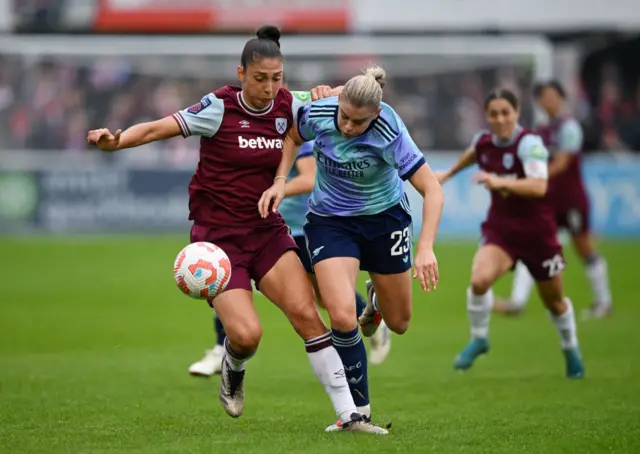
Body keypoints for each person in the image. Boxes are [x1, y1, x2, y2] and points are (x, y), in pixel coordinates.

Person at [87, 25, 388, 434]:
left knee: (307, 317)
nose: (269, 88)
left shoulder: (290, 105)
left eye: (276, 79)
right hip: (218, 241)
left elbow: (347, 96)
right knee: (247, 336)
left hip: (266, 233)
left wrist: (328, 91)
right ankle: (233, 366)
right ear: (242, 74)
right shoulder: (219, 107)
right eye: (260, 78)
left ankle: (349, 415)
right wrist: (116, 142)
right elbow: (160, 127)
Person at [259, 65, 444, 431]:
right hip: (331, 221)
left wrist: (426, 248)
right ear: (339, 102)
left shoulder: (390, 130)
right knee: (341, 316)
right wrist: (282, 179)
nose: (346, 127)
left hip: (385, 220)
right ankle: (358, 412)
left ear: (375, 114)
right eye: (344, 116)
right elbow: (293, 135)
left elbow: (432, 190)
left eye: (358, 123)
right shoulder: (322, 110)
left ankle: (376, 301)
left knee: (400, 323)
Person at [188, 140, 392, 377]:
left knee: (325, 295)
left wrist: (267, 193)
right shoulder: (250, 130)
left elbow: (309, 177)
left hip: (299, 226)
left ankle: (371, 314)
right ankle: (221, 349)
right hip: (266, 228)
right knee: (231, 280)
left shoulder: (289, 131)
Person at [436, 89, 585, 378]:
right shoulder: (484, 141)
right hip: (501, 229)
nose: (500, 119)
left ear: (516, 113)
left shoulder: (529, 143)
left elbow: (539, 186)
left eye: (506, 112)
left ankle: (570, 349)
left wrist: (500, 181)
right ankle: (479, 338)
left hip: (538, 233)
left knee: (554, 301)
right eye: (494, 114)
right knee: (479, 280)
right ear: (487, 116)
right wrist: (448, 174)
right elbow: (473, 154)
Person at [494, 81, 612, 319]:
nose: (548, 101)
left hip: (571, 201)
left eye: (552, 96)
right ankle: (517, 302)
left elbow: (563, 162)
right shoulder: (542, 130)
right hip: (547, 201)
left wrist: (534, 176)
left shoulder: (569, 128)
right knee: (532, 245)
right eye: (544, 97)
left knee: (583, 248)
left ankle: (603, 302)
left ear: (561, 98)